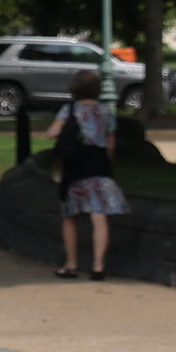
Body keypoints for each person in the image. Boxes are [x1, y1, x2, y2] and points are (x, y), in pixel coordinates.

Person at [54, 68, 128, 278]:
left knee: (70, 215)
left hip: (75, 165)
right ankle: (98, 266)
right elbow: (110, 143)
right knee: (99, 215)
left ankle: (71, 264)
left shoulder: (69, 110)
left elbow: (54, 132)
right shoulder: (106, 111)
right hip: (99, 164)